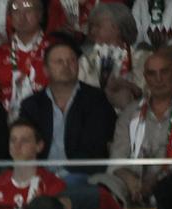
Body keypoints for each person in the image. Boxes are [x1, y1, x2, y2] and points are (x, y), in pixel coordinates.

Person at [19, 36, 117, 179]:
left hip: (82, 175)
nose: (66, 66)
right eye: (59, 62)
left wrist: (60, 177)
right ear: (45, 70)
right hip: (40, 177)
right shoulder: (31, 105)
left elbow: (94, 148)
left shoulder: (96, 100)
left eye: (71, 61)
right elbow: (25, 148)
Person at [109, 44, 172, 207]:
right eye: (151, 74)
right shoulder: (130, 113)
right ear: (145, 77)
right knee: (103, 184)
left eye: (164, 72)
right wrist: (131, 180)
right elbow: (116, 160)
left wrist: (159, 179)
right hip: (134, 183)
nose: (158, 79)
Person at [0, 0, 51, 117]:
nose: (22, 16)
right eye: (16, 11)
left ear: (40, 14)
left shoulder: (54, 49)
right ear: (10, 16)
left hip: (45, 119)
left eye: (28, 10)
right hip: (6, 122)